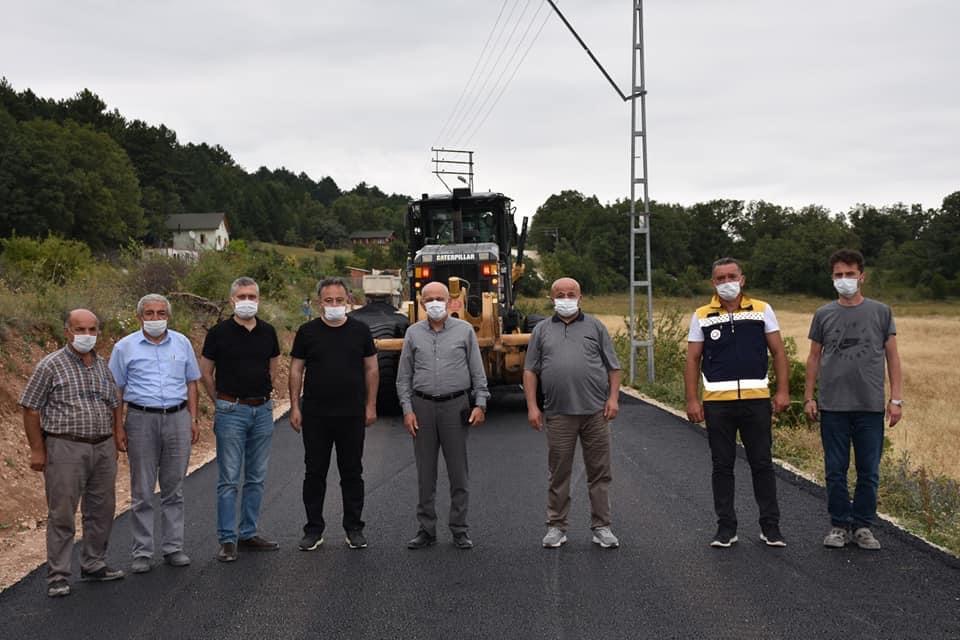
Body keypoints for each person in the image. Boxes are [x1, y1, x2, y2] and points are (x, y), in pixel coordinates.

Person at [684, 258, 790, 548]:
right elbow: (693, 359)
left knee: (762, 463)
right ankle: (726, 528)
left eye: (732, 276)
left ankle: (771, 528)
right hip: (717, 404)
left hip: (757, 401)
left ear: (742, 279)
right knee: (722, 466)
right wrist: (692, 399)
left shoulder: (762, 310)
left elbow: (778, 353)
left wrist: (782, 391)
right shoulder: (702, 315)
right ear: (713, 283)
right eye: (720, 278)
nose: (726, 282)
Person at [20, 309, 125, 597]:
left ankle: (93, 563)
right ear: (67, 331)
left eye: (92, 330)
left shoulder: (102, 366)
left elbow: (114, 402)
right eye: (80, 330)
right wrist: (37, 449)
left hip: (101, 447)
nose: (86, 335)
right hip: (66, 447)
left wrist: (115, 436)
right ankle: (58, 575)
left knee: (102, 509)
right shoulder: (50, 366)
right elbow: (30, 408)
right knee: (63, 512)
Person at [804, 249, 903, 550]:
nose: (844, 279)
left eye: (850, 274)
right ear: (832, 278)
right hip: (833, 405)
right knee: (835, 470)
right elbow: (814, 357)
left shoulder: (881, 312)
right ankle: (839, 525)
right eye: (839, 274)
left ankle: (862, 526)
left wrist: (896, 399)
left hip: (869, 405)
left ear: (862, 276)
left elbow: (893, 357)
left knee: (868, 471)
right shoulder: (823, 314)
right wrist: (809, 397)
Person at [523, 277, 622, 549]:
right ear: (551, 298)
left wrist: (613, 399)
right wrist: (532, 406)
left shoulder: (595, 327)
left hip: (596, 412)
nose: (565, 299)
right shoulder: (541, 330)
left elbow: (613, 367)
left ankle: (602, 527)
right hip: (558, 414)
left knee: (600, 472)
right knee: (559, 472)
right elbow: (530, 370)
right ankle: (556, 527)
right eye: (560, 294)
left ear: (580, 297)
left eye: (570, 294)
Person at [109, 294, 201, 573]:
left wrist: (193, 419)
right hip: (141, 419)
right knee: (142, 489)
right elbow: (117, 390)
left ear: (168, 316)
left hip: (177, 418)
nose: (155, 318)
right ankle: (142, 551)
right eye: (149, 313)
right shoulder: (124, 347)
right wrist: (118, 427)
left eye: (161, 313)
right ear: (139, 317)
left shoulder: (182, 343)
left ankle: (173, 547)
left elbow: (192, 383)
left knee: (174, 488)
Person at [397, 281, 489, 550]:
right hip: (422, 407)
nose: (435, 303)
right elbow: (404, 377)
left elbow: (477, 371)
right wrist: (407, 410)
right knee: (425, 474)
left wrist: (480, 403)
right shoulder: (413, 333)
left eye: (440, 298)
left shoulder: (465, 331)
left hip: (455, 406)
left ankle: (459, 529)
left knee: (458, 472)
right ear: (421, 303)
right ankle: (426, 529)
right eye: (429, 299)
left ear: (450, 302)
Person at [289, 277, 378, 551]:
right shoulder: (307, 332)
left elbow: (372, 369)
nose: (335, 305)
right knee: (314, 472)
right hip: (316, 415)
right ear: (320, 303)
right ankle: (313, 530)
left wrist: (371, 405)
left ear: (348, 300)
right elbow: (296, 370)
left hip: (352, 414)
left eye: (339, 300)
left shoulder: (361, 331)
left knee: (352, 472)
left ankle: (354, 528)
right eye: (329, 300)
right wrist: (294, 406)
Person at [200, 277, 281, 562]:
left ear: (259, 299)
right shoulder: (218, 333)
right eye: (242, 296)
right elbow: (206, 372)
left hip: (262, 410)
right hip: (231, 410)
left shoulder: (268, 332)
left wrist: (265, 394)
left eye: (252, 296)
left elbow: (273, 367)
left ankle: (248, 533)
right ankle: (227, 539)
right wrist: (220, 401)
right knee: (229, 479)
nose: (247, 301)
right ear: (232, 299)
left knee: (256, 477)